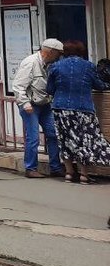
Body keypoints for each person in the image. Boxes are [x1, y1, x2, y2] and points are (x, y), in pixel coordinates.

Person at [47, 40, 110, 184]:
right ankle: (84, 175)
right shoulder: (88, 66)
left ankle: (69, 173)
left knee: (65, 140)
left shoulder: (55, 66)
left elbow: (49, 89)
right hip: (83, 109)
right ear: (82, 51)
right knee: (83, 141)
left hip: (60, 108)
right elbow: (99, 85)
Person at [13, 38, 64, 178]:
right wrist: (24, 103)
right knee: (33, 137)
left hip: (45, 103)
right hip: (30, 105)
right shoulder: (30, 62)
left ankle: (55, 167)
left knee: (53, 134)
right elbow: (18, 85)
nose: (59, 56)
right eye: (58, 53)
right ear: (50, 52)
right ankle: (30, 168)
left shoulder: (49, 64)